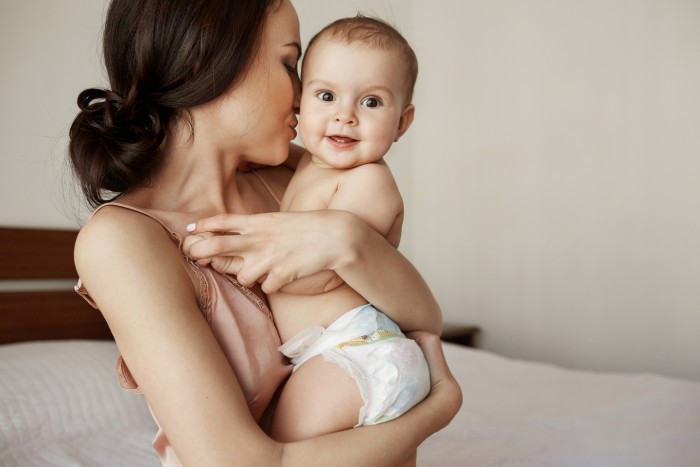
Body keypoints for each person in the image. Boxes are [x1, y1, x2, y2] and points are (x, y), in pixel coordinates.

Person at [69, 1, 461, 466]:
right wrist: (436, 411)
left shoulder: (299, 172)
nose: (302, 96)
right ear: (209, 61)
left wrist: (347, 240)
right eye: (288, 63)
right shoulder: (125, 241)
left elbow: (425, 319)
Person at [240, 16, 429, 446]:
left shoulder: (369, 183)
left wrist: (240, 258)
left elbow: (318, 277)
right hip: (334, 353)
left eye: (372, 103)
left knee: (286, 442)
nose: (344, 116)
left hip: (357, 351)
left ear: (402, 122)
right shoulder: (306, 163)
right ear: (299, 105)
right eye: (326, 95)